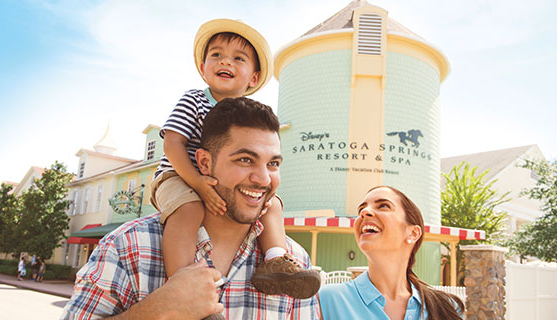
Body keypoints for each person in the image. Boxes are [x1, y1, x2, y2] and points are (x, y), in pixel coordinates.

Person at [61, 97, 320, 319]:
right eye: (245, 159)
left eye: (273, 164)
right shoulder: (128, 248)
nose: (263, 179)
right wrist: (158, 311)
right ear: (205, 163)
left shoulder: (295, 263)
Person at [151, 18, 319, 299]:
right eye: (216, 55)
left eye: (238, 58)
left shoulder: (252, 115)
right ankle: (182, 288)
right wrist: (198, 181)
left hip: (212, 179)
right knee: (189, 209)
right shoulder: (193, 100)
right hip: (179, 174)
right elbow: (172, 143)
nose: (225, 62)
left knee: (273, 203)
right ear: (203, 69)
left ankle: (275, 260)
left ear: (253, 78)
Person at [319, 186, 465, 320]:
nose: (364, 212)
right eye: (361, 209)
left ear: (413, 233)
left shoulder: (446, 308)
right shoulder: (325, 301)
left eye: (383, 205)